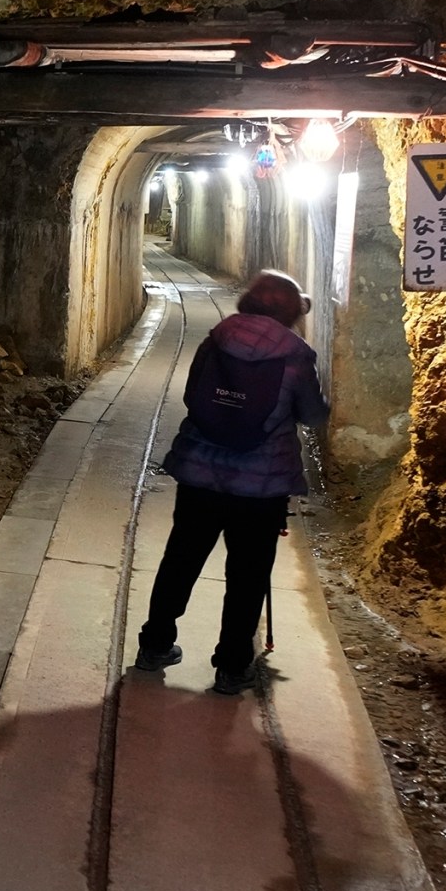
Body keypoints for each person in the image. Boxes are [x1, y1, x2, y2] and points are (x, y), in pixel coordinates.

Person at [132, 270, 329, 695]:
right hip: (261, 488)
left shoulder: (216, 339)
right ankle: (233, 666)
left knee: (180, 559)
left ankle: (154, 646)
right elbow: (313, 416)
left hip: (200, 473)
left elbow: (192, 397)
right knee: (247, 574)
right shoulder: (296, 356)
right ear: (293, 312)